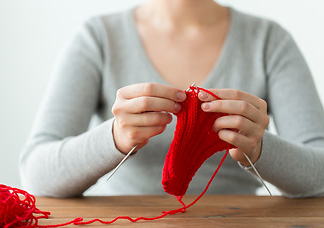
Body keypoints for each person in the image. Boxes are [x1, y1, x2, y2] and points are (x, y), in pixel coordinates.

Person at [19, 0, 324, 198]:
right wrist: (114, 138)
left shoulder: (269, 42)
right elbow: (36, 173)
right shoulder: (99, 38)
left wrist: (259, 148)